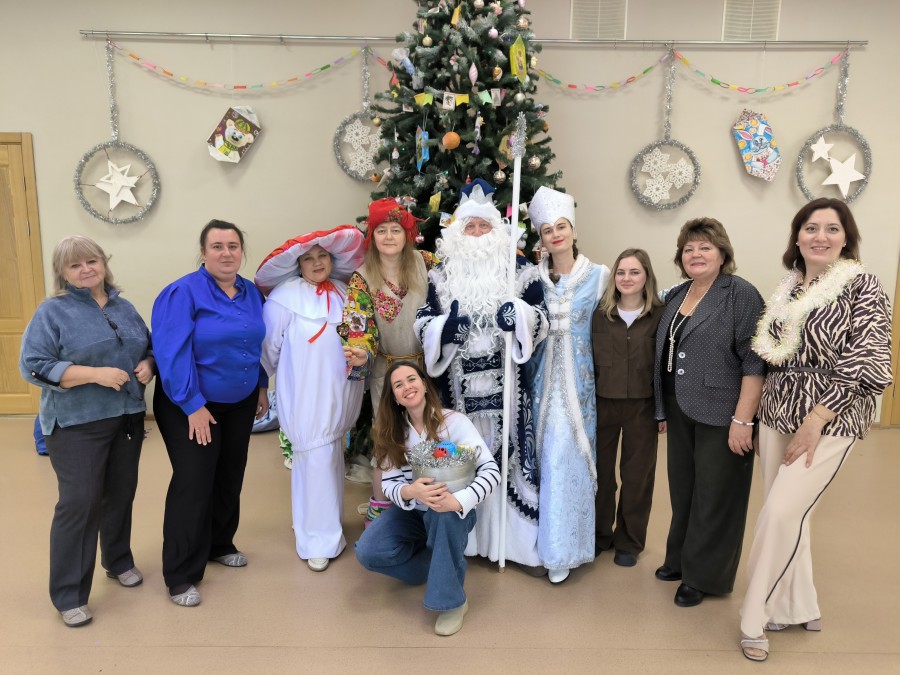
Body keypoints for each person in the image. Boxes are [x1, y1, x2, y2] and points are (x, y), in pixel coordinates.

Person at [738, 199, 892, 662]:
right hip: (777, 411)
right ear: (797, 236)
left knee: (781, 512)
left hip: (831, 415)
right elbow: (768, 355)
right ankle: (799, 604)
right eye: (810, 227)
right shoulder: (786, 288)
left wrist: (817, 419)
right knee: (791, 514)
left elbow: (869, 358)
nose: (820, 236)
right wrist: (753, 417)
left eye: (831, 228)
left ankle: (754, 616)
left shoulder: (863, 285)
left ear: (846, 238)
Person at [20, 235, 154, 627]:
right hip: (76, 423)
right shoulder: (52, 312)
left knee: (120, 494)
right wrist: (93, 374)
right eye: (75, 265)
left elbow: (147, 346)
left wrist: (149, 364)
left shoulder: (124, 307)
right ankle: (69, 595)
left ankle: (118, 560)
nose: (85, 270)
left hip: (126, 417)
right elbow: (33, 364)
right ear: (62, 273)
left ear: (103, 263)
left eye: (91, 261)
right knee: (80, 502)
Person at [414, 179, 548, 568]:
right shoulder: (440, 276)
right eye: (469, 226)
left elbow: (542, 318)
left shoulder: (520, 271)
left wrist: (519, 316)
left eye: (483, 226)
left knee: (510, 461)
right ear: (457, 232)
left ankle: (510, 545)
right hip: (455, 392)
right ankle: (466, 541)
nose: (476, 233)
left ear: (497, 230)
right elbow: (422, 321)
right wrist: (443, 330)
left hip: (509, 389)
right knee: (462, 457)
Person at [152, 219, 269, 607]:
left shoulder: (251, 292)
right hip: (187, 402)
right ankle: (180, 574)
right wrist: (192, 405)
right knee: (194, 480)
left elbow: (253, 344)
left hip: (240, 401)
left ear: (241, 252)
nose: (226, 253)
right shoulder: (182, 293)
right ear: (203, 253)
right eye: (217, 246)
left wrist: (261, 385)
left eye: (233, 246)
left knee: (230, 473)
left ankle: (220, 543)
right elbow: (171, 354)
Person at [653, 217, 766, 607]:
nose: (695, 254)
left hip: (724, 411)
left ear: (722, 253)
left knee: (716, 495)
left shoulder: (741, 294)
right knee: (684, 489)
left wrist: (743, 420)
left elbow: (755, 361)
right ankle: (680, 559)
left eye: (705, 247)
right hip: (680, 406)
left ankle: (704, 576)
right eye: (688, 248)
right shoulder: (678, 294)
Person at [355, 361, 500, 636]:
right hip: (412, 511)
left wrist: (459, 501)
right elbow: (389, 484)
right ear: (394, 397)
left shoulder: (454, 422)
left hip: (449, 511)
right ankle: (436, 564)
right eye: (398, 385)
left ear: (423, 384)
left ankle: (452, 602)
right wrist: (411, 492)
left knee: (443, 517)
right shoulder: (391, 431)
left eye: (411, 379)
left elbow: (491, 472)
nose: (407, 387)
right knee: (368, 552)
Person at [255, 225, 366, 572]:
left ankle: (317, 523)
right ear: (298, 264)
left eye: (322, 256)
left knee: (330, 457)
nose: (317, 263)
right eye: (309, 258)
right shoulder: (283, 299)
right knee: (315, 456)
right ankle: (317, 539)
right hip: (306, 392)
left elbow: (361, 340)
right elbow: (268, 350)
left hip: (340, 391)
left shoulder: (347, 292)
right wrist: (263, 385)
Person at [526, 187, 610, 582]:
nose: (555, 235)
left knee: (570, 456)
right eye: (547, 230)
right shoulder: (532, 279)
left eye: (561, 227)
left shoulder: (600, 276)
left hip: (581, 385)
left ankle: (565, 549)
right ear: (540, 238)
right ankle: (544, 542)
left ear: (573, 230)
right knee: (544, 457)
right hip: (540, 383)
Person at [339, 198, 438, 527]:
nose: (389, 236)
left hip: (428, 370)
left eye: (395, 229)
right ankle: (381, 508)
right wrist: (359, 351)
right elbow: (357, 325)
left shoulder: (427, 263)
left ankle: (427, 506)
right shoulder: (362, 277)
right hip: (387, 372)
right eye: (381, 230)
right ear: (372, 236)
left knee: (430, 435)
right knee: (387, 438)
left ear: (406, 233)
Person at [592, 248, 664, 568]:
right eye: (621, 272)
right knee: (601, 474)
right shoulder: (600, 314)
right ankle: (599, 535)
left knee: (637, 477)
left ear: (646, 276)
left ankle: (629, 542)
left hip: (642, 407)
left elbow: (665, 367)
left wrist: (663, 411)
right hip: (602, 403)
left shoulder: (660, 315)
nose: (627, 278)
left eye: (635, 272)